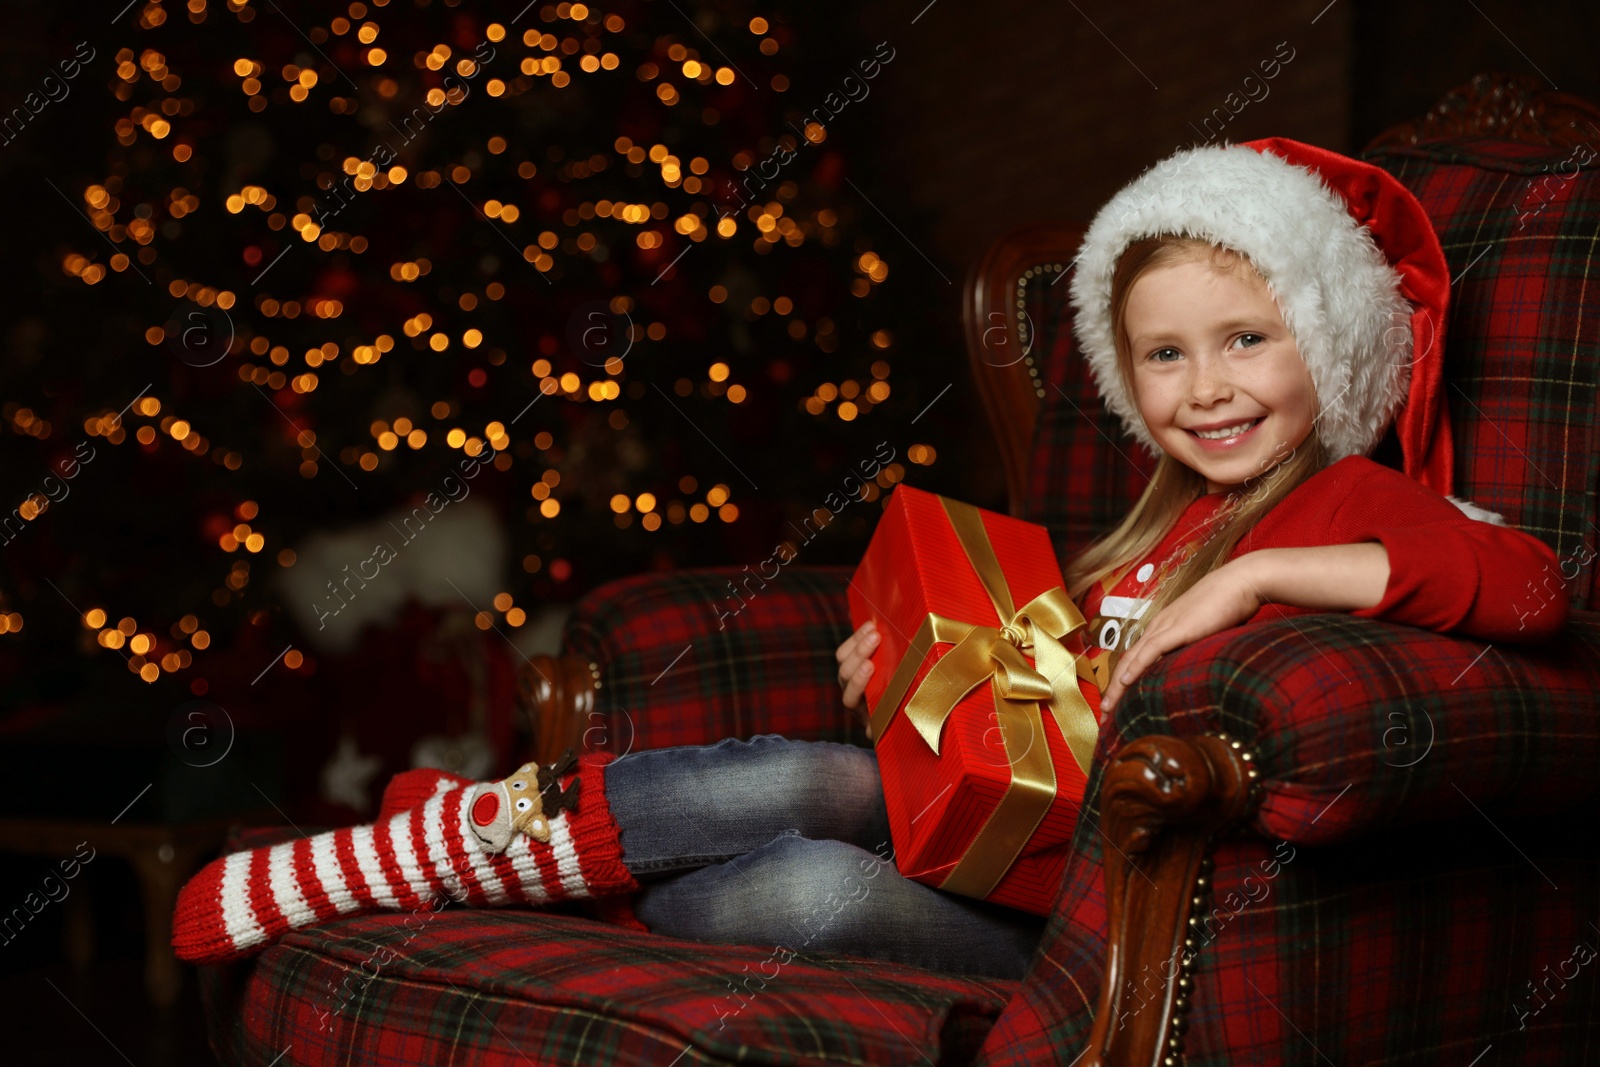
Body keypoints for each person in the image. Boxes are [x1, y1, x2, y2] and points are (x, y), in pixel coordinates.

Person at [170, 137, 1570, 984]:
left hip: (1105, 927)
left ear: (1327, 346)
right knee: (805, 772)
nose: (1205, 388)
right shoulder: (1137, 538)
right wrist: (908, 679)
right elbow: (1018, 736)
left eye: (1247, 340)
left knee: (800, 891)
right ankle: (435, 847)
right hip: (985, 850)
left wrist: (1252, 584)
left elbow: (1531, 591)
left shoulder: (1356, 504)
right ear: (1124, 371)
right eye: (1164, 354)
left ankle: (519, 854)